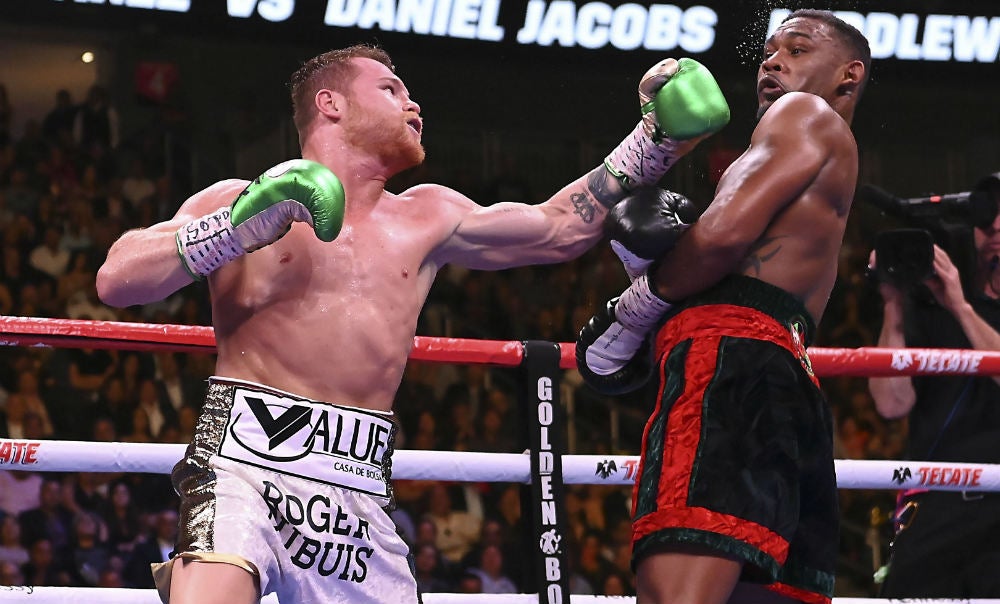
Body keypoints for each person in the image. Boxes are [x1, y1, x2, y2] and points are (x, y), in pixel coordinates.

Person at [95, 44, 729, 604]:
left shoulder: (428, 215)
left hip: (359, 494)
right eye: (391, 89)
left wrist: (657, 139)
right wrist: (235, 228)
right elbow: (117, 279)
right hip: (241, 466)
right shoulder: (238, 195)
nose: (414, 103)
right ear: (331, 104)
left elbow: (561, 226)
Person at [577, 9, 869, 604]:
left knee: (675, 594)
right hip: (784, 373)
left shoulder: (800, 114)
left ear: (848, 75)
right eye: (768, 49)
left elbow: (720, 238)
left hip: (729, 366)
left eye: (797, 48)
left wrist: (635, 306)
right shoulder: (833, 153)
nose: (772, 60)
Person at [867, 176, 1000, 597]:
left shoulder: (954, 304)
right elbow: (891, 404)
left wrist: (960, 308)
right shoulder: (928, 305)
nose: (994, 228)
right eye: (985, 219)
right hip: (938, 503)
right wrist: (893, 306)